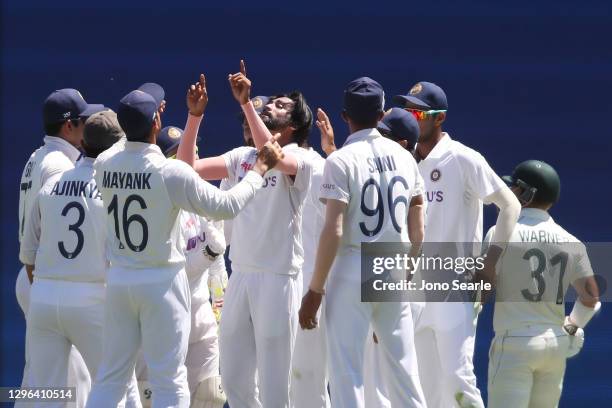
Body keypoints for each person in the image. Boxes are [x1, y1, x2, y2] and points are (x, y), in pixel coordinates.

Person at [85, 87, 283, 408]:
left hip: (121, 280)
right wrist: (259, 171)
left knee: (111, 378)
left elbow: (128, 140)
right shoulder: (170, 171)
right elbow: (226, 205)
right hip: (161, 283)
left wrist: (153, 118)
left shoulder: (105, 164)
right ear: (156, 123)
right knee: (170, 379)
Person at [176, 65, 313, 408]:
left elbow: (276, 157)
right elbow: (186, 170)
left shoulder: (306, 160)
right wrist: (195, 117)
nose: (272, 107)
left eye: (281, 106)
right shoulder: (242, 156)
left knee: (274, 385)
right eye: (272, 103)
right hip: (241, 276)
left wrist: (247, 103)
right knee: (235, 380)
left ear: (293, 126)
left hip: (279, 280)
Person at [299, 77, 427, 408]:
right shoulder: (406, 158)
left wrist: (315, 290)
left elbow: (334, 229)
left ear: (345, 116)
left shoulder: (340, 160)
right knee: (404, 370)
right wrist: (408, 272)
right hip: (392, 263)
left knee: (347, 372)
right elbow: (418, 231)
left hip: (352, 266)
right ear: (382, 114)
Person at [392, 81, 521, 408]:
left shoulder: (463, 158)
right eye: (408, 110)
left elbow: (511, 206)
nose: (411, 117)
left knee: (457, 378)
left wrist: (489, 264)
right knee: (421, 383)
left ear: (439, 118)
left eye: (418, 112)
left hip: (453, 284)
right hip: (413, 287)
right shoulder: (404, 159)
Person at [19, 110, 141, 408]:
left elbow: (28, 255)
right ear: (115, 150)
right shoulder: (114, 191)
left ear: (83, 144)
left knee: (46, 396)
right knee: (118, 388)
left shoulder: (50, 185)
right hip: (92, 298)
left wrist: (51, 287)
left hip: (45, 296)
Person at [484, 160, 601, 408]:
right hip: (554, 343)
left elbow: (481, 288)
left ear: (527, 194)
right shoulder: (571, 240)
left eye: (513, 188)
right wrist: (572, 326)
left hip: (514, 342)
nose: (508, 193)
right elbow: (591, 296)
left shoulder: (500, 232)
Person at [16, 88, 99, 408]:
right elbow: (56, 235)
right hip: (46, 279)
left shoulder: (37, 156)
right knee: (73, 384)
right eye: (83, 121)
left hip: (35, 276)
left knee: (37, 378)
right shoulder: (60, 165)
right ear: (68, 126)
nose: (86, 127)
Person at [135, 125, 227, 408]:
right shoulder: (157, 206)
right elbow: (175, 271)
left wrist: (220, 307)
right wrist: (208, 254)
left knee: (210, 394)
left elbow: (218, 267)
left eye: (194, 151)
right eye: (178, 156)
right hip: (164, 310)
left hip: (200, 312)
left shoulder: (205, 197)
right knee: (155, 396)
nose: (191, 158)